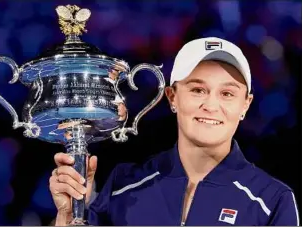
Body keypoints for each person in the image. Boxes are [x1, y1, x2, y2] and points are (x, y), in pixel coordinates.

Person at [48, 37, 300, 226]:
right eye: (197, 90)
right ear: (172, 97)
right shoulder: (123, 184)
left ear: (245, 105)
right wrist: (68, 215)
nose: (211, 105)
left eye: (227, 94)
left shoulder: (272, 200)